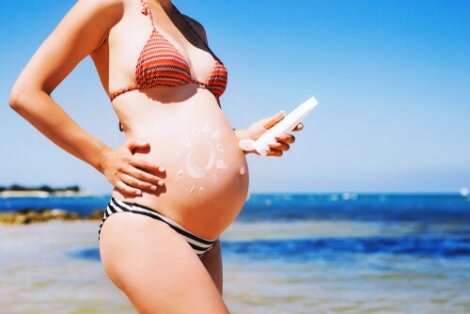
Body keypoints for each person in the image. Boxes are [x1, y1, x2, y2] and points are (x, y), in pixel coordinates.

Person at [8, 0, 303, 312]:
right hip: (146, 220)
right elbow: (26, 93)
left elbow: (189, 124)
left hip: (206, 239)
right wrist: (103, 157)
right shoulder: (109, 6)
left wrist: (246, 138)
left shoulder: (193, 26)